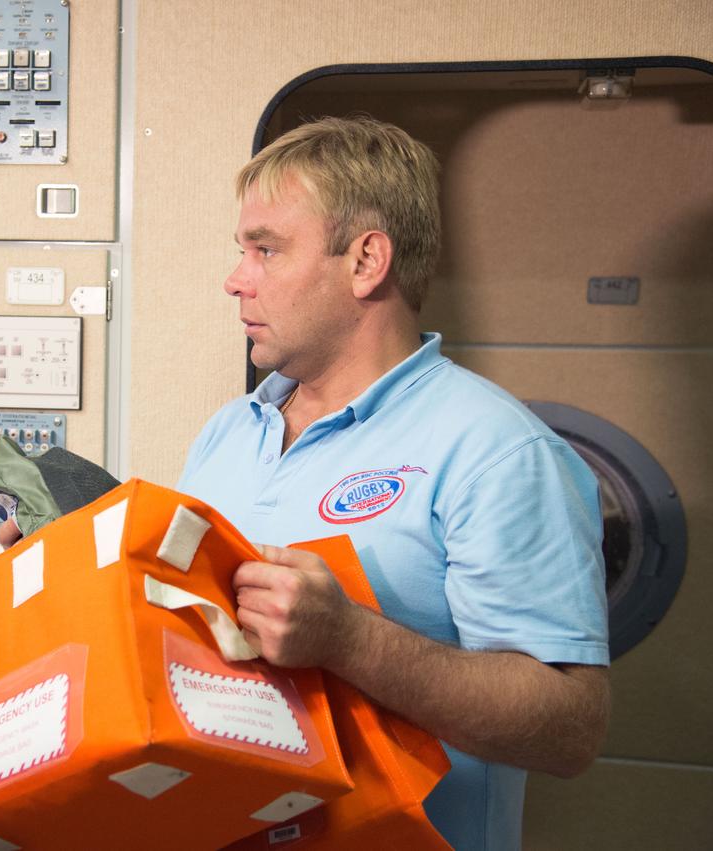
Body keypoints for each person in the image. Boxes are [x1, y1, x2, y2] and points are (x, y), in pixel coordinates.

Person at [174, 115, 610, 849]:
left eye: (266, 250)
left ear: (366, 260)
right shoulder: (230, 430)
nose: (234, 279)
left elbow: (569, 728)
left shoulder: (493, 448)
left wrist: (347, 640)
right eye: (240, 251)